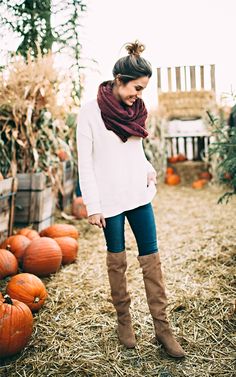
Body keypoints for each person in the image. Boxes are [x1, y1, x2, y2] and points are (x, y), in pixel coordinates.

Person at [76, 40, 185, 359]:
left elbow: (134, 150)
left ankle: (163, 329)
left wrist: (148, 168)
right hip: (109, 200)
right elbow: (86, 162)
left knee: (152, 259)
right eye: (136, 87)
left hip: (138, 193)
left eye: (143, 89)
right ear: (118, 80)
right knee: (118, 261)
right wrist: (92, 205)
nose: (139, 94)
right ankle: (124, 322)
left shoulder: (136, 110)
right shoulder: (90, 112)